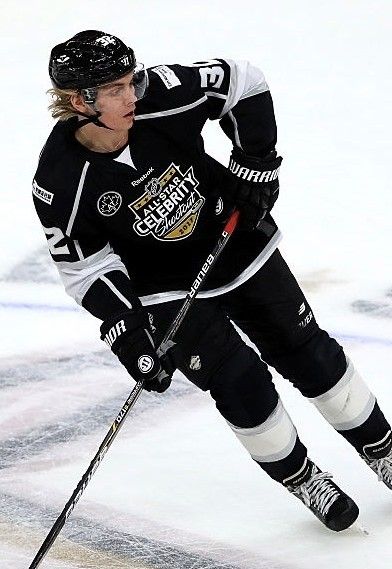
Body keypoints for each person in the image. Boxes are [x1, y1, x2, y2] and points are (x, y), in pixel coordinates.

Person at [33, 30, 392, 532]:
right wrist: (129, 329)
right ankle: (301, 476)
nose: (131, 95)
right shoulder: (58, 181)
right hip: (166, 289)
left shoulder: (160, 94)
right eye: (114, 89)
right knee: (239, 383)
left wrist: (256, 166)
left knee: (307, 350)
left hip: (235, 239)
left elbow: (244, 83)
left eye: (130, 80)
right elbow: (85, 266)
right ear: (78, 101)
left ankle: (382, 448)